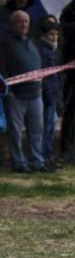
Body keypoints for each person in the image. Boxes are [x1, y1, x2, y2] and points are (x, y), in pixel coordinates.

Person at [0, 10, 48, 172]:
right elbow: (3, 67)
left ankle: (37, 161)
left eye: (26, 21)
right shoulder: (5, 43)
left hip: (35, 94)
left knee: (36, 131)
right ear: (12, 24)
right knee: (15, 132)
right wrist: (9, 90)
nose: (23, 25)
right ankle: (19, 163)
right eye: (20, 21)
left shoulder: (33, 42)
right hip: (16, 95)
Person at [34, 15, 62, 169]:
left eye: (56, 34)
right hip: (46, 93)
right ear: (44, 35)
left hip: (53, 92)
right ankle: (43, 157)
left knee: (51, 125)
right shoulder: (43, 50)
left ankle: (48, 154)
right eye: (51, 34)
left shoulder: (54, 50)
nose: (54, 37)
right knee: (45, 126)